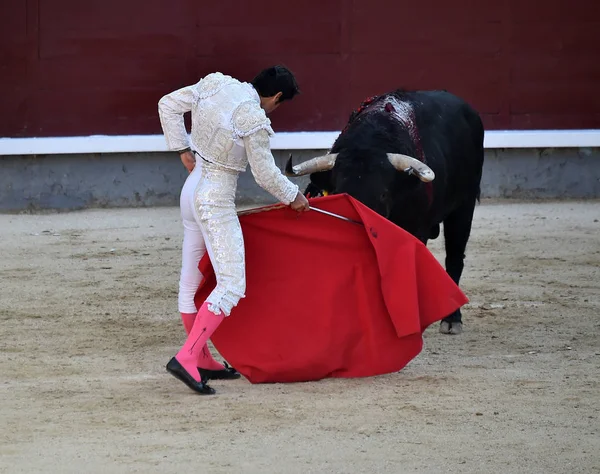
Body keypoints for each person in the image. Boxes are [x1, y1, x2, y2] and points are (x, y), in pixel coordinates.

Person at [158, 65, 310, 394]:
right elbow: (265, 173)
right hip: (214, 199)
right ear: (277, 96)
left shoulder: (215, 84)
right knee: (231, 284)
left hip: (191, 188)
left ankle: (202, 359)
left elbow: (167, 104)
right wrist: (292, 196)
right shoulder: (252, 118)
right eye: (279, 104)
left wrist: (183, 148)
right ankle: (186, 357)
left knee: (190, 284)